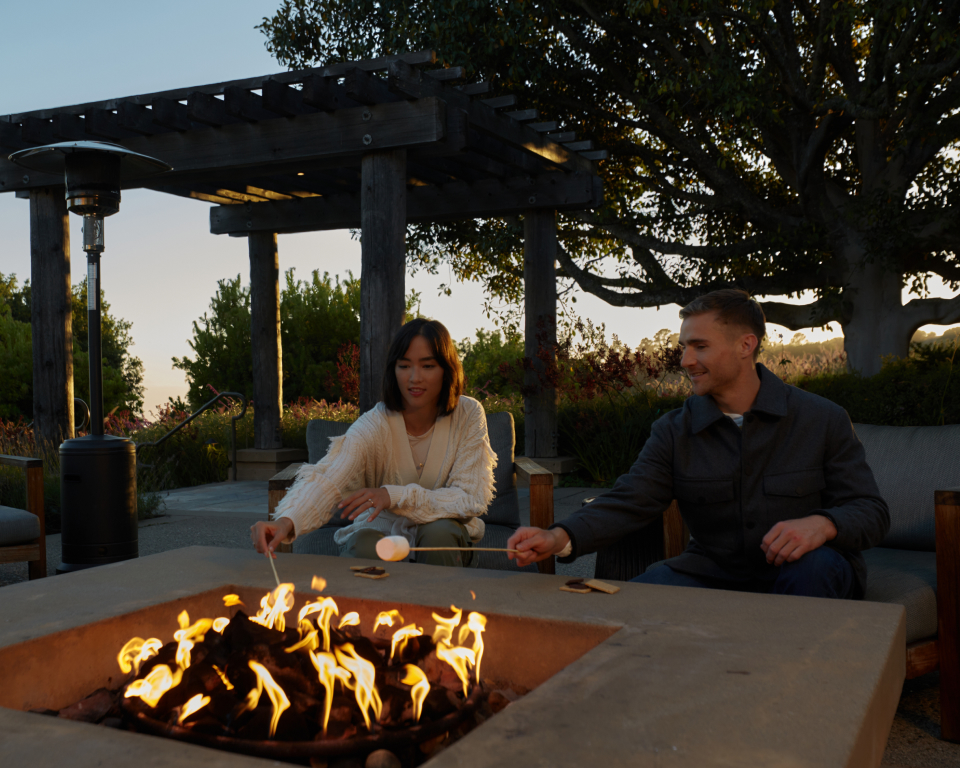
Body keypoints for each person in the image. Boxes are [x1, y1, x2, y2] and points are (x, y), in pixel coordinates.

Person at [508, 289, 890, 599]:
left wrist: (823, 524)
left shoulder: (822, 418)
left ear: (746, 345)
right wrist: (559, 536)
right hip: (710, 573)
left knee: (814, 569)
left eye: (700, 346)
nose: (686, 360)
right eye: (684, 347)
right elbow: (630, 499)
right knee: (632, 603)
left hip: (808, 571)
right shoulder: (674, 431)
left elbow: (871, 511)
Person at [251, 318, 497, 567]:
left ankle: (440, 605)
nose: (414, 378)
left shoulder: (468, 414)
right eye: (404, 365)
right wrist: (285, 521)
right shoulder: (375, 423)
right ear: (393, 370)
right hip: (380, 528)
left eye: (428, 366)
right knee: (368, 546)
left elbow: (470, 497)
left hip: (444, 534)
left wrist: (394, 496)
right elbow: (330, 477)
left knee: (439, 533)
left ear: (446, 369)